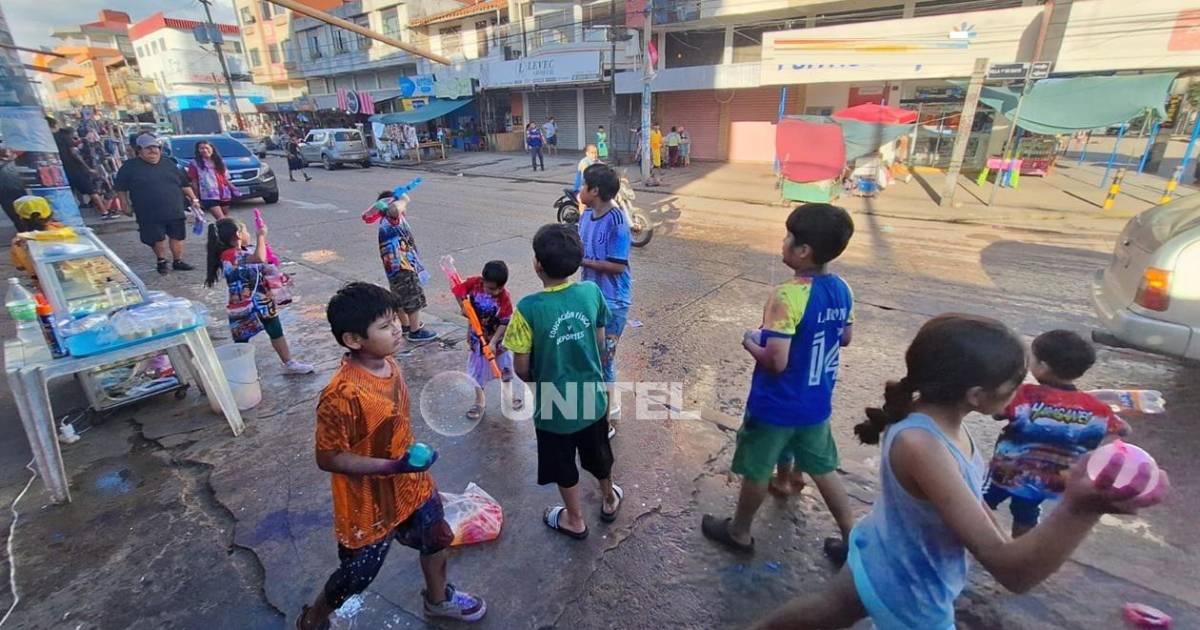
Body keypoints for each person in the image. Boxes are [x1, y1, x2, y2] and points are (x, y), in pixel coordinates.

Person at [749, 315, 1169, 630]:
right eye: (1014, 382)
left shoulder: (935, 419)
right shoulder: (922, 444)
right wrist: (1080, 507)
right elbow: (1013, 571)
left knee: (829, 609)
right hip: (912, 588)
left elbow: (981, 523)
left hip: (884, 551)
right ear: (976, 395)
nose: (1022, 390)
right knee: (827, 609)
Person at [297, 282, 486, 629]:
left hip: (412, 484)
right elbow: (328, 457)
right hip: (368, 505)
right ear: (354, 340)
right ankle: (314, 617)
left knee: (436, 539)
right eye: (384, 326)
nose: (398, 327)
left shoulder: (390, 364)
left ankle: (438, 600)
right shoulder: (342, 395)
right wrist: (392, 466)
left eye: (396, 319)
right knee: (357, 575)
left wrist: (407, 464)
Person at [702, 203, 857, 561]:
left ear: (803, 251)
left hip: (775, 406)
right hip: (816, 403)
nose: (783, 242)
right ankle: (852, 537)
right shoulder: (841, 288)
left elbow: (776, 361)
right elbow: (845, 337)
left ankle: (739, 532)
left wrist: (750, 342)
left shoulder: (788, 294)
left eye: (789, 237)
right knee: (823, 469)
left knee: (756, 469)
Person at [504, 224, 622, 539]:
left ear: (538, 265)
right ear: (578, 261)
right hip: (592, 398)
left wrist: (543, 376)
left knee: (562, 465)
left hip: (554, 406)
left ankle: (574, 519)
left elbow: (522, 368)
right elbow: (600, 343)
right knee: (599, 454)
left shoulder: (527, 309)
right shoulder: (591, 292)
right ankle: (609, 499)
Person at [983, 329, 1131, 538]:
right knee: (1026, 514)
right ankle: (1021, 551)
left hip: (1007, 471)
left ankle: (975, 539)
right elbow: (1122, 430)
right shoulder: (1097, 409)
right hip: (1050, 480)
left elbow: (997, 412)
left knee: (981, 502)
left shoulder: (1024, 395)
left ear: (1042, 366)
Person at [205, 218, 313, 375]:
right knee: (242, 338)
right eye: (245, 231)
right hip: (243, 305)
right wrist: (261, 235)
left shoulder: (244, 251)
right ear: (238, 234)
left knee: (275, 329)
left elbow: (262, 265)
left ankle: (289, 362)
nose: (248, 234)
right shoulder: (229, 255)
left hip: (262, 299)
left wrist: (279, 276)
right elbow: (259, 258)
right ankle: (240, 371)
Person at [577, 163, 632, 436]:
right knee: (591, 358)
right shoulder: (586, 215)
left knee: (605, 360)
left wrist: (582, 260)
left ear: (595, 190)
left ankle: (606, 418)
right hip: (588, 297)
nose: (579, 189)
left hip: (612, 302)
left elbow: (618, 266)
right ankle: (601, 406)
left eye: (583, 185)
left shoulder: (618, 222)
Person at [113, 134, 200, 275]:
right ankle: (161, 261)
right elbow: (121, 188)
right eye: (148, 148)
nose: (153, 151)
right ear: (139, 150)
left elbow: (184, 184)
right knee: (156, 238)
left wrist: (194, 199)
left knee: (177, 236)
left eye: (155, 147)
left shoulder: (169, 164)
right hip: (148, 211)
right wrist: (124, 204)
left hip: (174, 208)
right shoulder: (129, 167)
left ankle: (178, 261)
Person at [451, 260, 522, 420]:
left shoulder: (504, 297)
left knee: (504, 367)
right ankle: (479, 401)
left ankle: (509, 395)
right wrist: (463, 307)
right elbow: (457, 290)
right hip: (478, 337)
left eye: (499, 288)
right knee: (477, 370)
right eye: (491, 288)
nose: (495, 292)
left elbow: (505, 321)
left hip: (498, 339)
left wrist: (493, 342)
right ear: (483, 281)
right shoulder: (474, 284)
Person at [369, 191, 439, 342]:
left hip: (393, 268)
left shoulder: (386, 221)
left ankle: (406, 325)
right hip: (403, 266)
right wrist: (404, 199)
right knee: (412, 295)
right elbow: (394, 209)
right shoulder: (392, 219)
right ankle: (415, 330)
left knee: (399, 298)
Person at [54, 128, 113, 219]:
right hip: (76, 169)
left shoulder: (55, 139)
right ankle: (104, 211)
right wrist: (88, 168)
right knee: (91, 191)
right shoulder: (67, 140)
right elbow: (75, 154)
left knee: (70, 192)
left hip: (63, 169)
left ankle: (71, 213)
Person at [186, 140, 235, 220]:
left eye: (207, 148)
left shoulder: (218, 161)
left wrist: (234, 189)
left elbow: (225, 178)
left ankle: (224, 232)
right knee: (221, 218)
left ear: (212, 149)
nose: (205, 150)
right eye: (202, 148)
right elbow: (194, 182)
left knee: (226, 218)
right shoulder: (194, 164)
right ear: (198, 150)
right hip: (209, 195)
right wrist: (196, 198)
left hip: (224, 194)